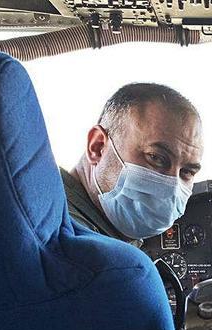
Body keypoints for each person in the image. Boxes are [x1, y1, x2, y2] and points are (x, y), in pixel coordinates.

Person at [61, 83, 203, 243]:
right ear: (98, 147)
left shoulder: (106, 232)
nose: (173, 186)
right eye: (156, 158)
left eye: (187, 172)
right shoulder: (63, 230)